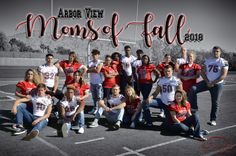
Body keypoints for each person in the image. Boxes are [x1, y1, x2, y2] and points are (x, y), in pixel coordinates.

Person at [188, 46, 228, 126]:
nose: (215, 53)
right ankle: (194, 108)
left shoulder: (223, 62)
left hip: (217, 84)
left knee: (215, 102)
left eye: (217, 51)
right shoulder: (208, 61)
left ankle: (213, 119)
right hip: (207, 82)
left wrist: (212, 83)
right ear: (212, 52)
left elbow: (223, 75)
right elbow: (202, 72)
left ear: (220, 52)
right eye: (214, 51)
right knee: (193, 89)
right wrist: (207, 81)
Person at [87, 49, 103, 114]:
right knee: (94, 97)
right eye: (93, 54)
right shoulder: (90, 62)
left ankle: (99, 109)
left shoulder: (100, 62)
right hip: (92, 82)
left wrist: (92, 69)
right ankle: (95, 108)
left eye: (96, 55)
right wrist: (94, 69)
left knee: (99, 97)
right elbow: (87, 70)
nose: (94, 56)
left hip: (98, 82)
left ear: (98, 55)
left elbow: (98, 71)